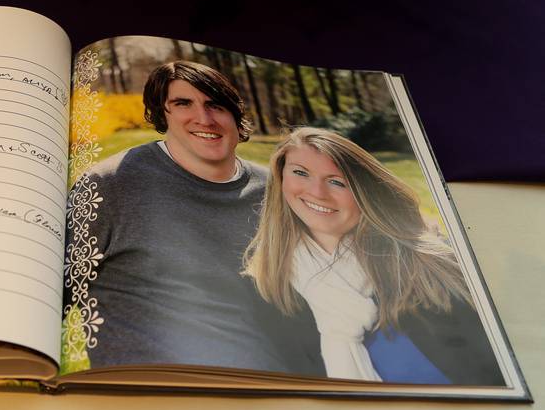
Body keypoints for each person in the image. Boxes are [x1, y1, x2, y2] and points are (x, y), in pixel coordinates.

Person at [68, 61, 317, 374]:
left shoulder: (278, 192)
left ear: (234, 115)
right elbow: (51, 292)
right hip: (151, 387)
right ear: (162, 114)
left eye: (215, 105)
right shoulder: (109, 185)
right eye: (183, 103)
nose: (204, 118)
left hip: (271, 384)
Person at [242, 127, 504, 385]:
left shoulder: (427, 264)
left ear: (363, 191)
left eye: (337, 182)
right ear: (281, 179)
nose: (317, 192)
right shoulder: (268, 286)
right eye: (301, 173)